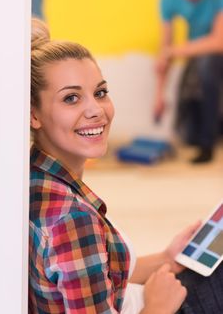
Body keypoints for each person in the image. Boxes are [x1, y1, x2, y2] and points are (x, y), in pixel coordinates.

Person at [29, 17, 203, 313]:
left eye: (100, 92)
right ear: (33, 115)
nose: (96, 110)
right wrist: (158, 306)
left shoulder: (38, 178)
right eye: (71, 98)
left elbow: (89, 276)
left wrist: (165, 259)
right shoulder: (71, 219)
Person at [154, 0, 223, 164]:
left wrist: (173, 51)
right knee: (188, 134)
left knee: (206, 67)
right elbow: (164, 51)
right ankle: (207, 133)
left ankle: (207, 145)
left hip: (214, 52)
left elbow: (218, 42)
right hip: (196, 51)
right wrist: (159, 95)